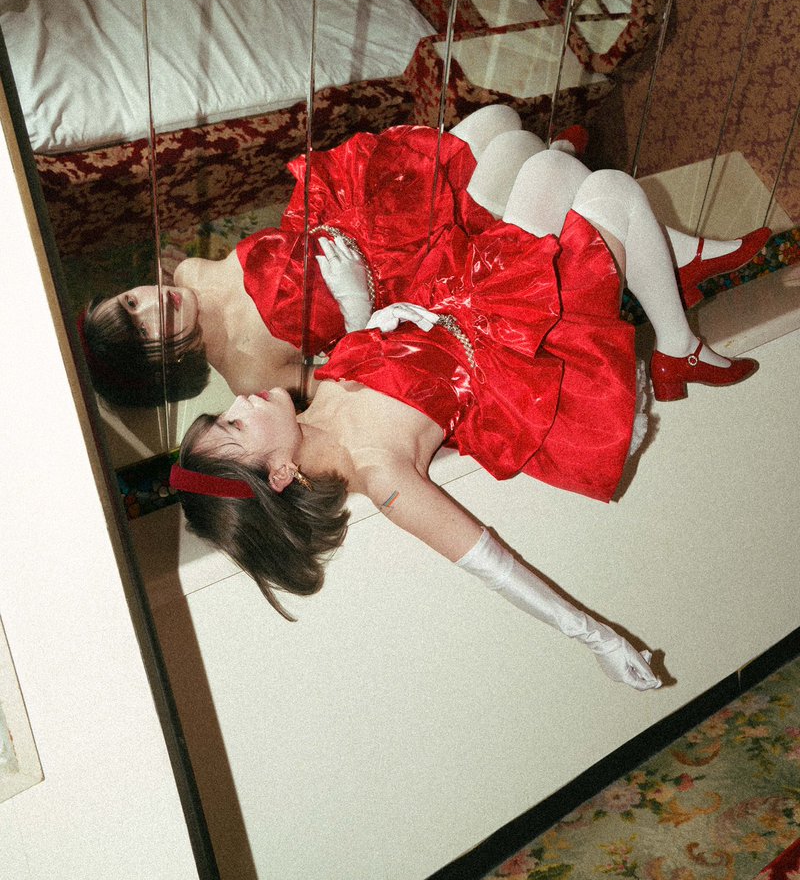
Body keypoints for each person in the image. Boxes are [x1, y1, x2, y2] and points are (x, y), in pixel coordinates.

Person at [168, 152, 765, 688]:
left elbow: (377, 362)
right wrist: (600, 639)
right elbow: (493, 566)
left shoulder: (317, 402)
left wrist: (362, 310)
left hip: (475, 294)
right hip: (526, 350)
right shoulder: (381, 475)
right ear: (277, 475)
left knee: (550, 169)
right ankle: (678, 342)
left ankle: (679, 312)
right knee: (611, 191)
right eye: (235, 429)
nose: (240, 404)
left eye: (222, 415)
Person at [79, 106, 770, 408]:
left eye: (131, 300)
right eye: (144, 325)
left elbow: (287, 247)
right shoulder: (249, 376)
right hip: (413, 279)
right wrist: (354, 300)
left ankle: (638, 236)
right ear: (162, 365)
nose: (152, 303)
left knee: (499, 123)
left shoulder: (189, 272)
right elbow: (354, 378)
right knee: (515, 151)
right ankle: (667, 263)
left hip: (376, 220)